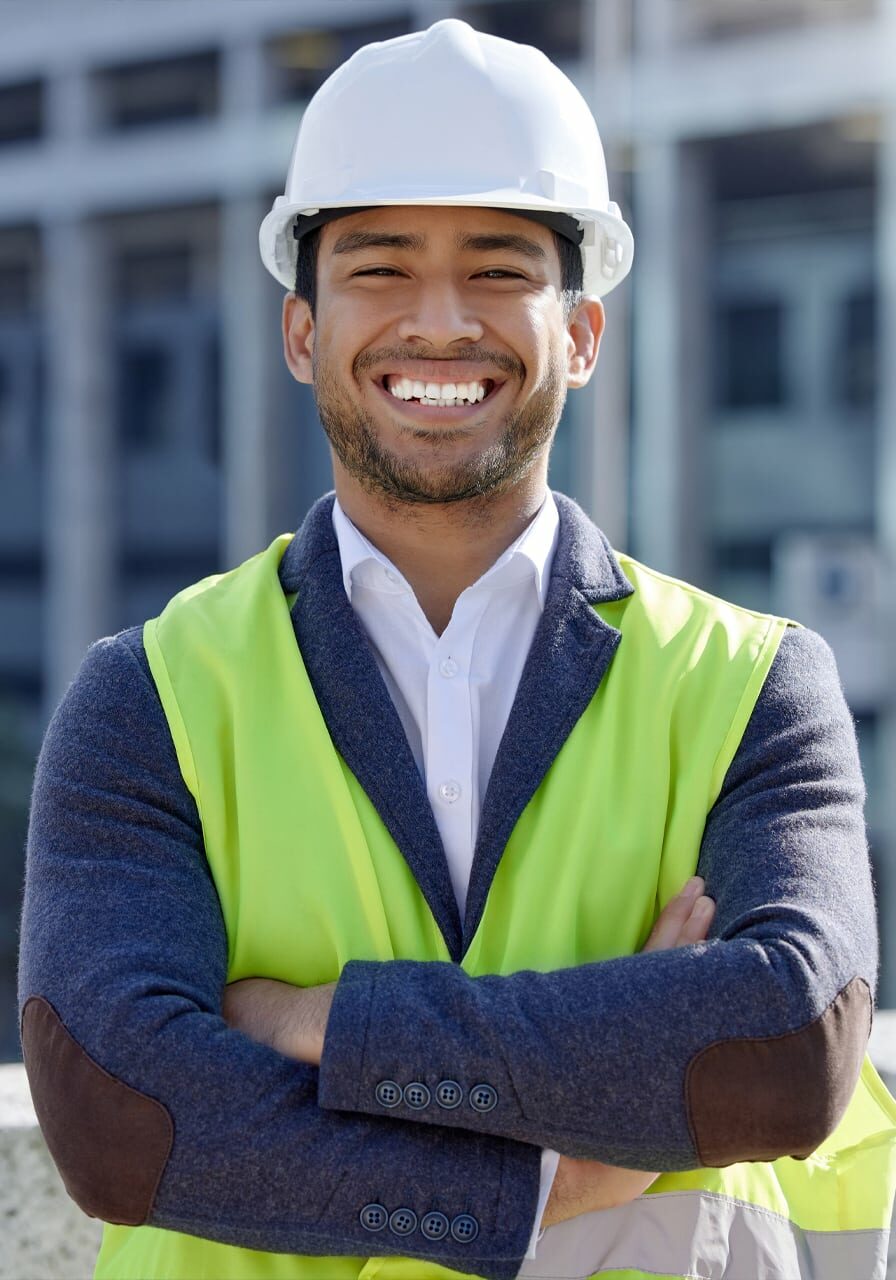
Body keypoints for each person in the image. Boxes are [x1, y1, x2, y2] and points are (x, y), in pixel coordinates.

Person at [17, 18, 896, 1280]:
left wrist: (325, 1022)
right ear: (301, 333)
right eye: (377, 267)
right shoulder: (149, 694)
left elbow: (785, 1043)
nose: (439, 323)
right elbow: (123, 1116)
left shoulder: (749, 684)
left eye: (496, 269)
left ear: (581, 335)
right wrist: (557, 1171)